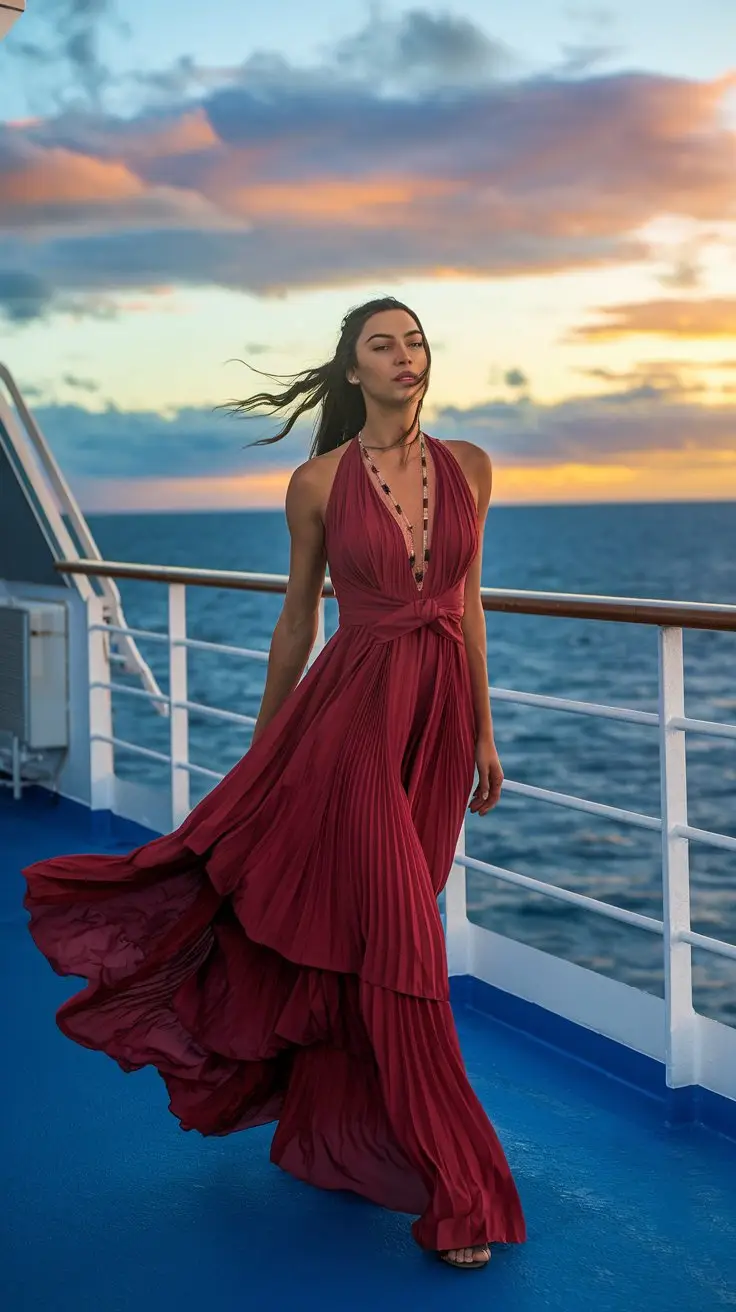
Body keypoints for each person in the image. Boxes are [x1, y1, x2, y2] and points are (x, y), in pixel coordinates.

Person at [23, 295, 526, 1272]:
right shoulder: (316, 484)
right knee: (406, 945)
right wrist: (261, 754)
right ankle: (462, 1184)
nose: (404, 355)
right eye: (381, 344)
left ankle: (331, 1129)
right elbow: (298, 621)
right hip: (348, 721)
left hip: (438, 727)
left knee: (377, 932)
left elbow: (465, 604)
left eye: (414, 339)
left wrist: (486, 734)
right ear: (351, 370)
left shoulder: (471, 466)